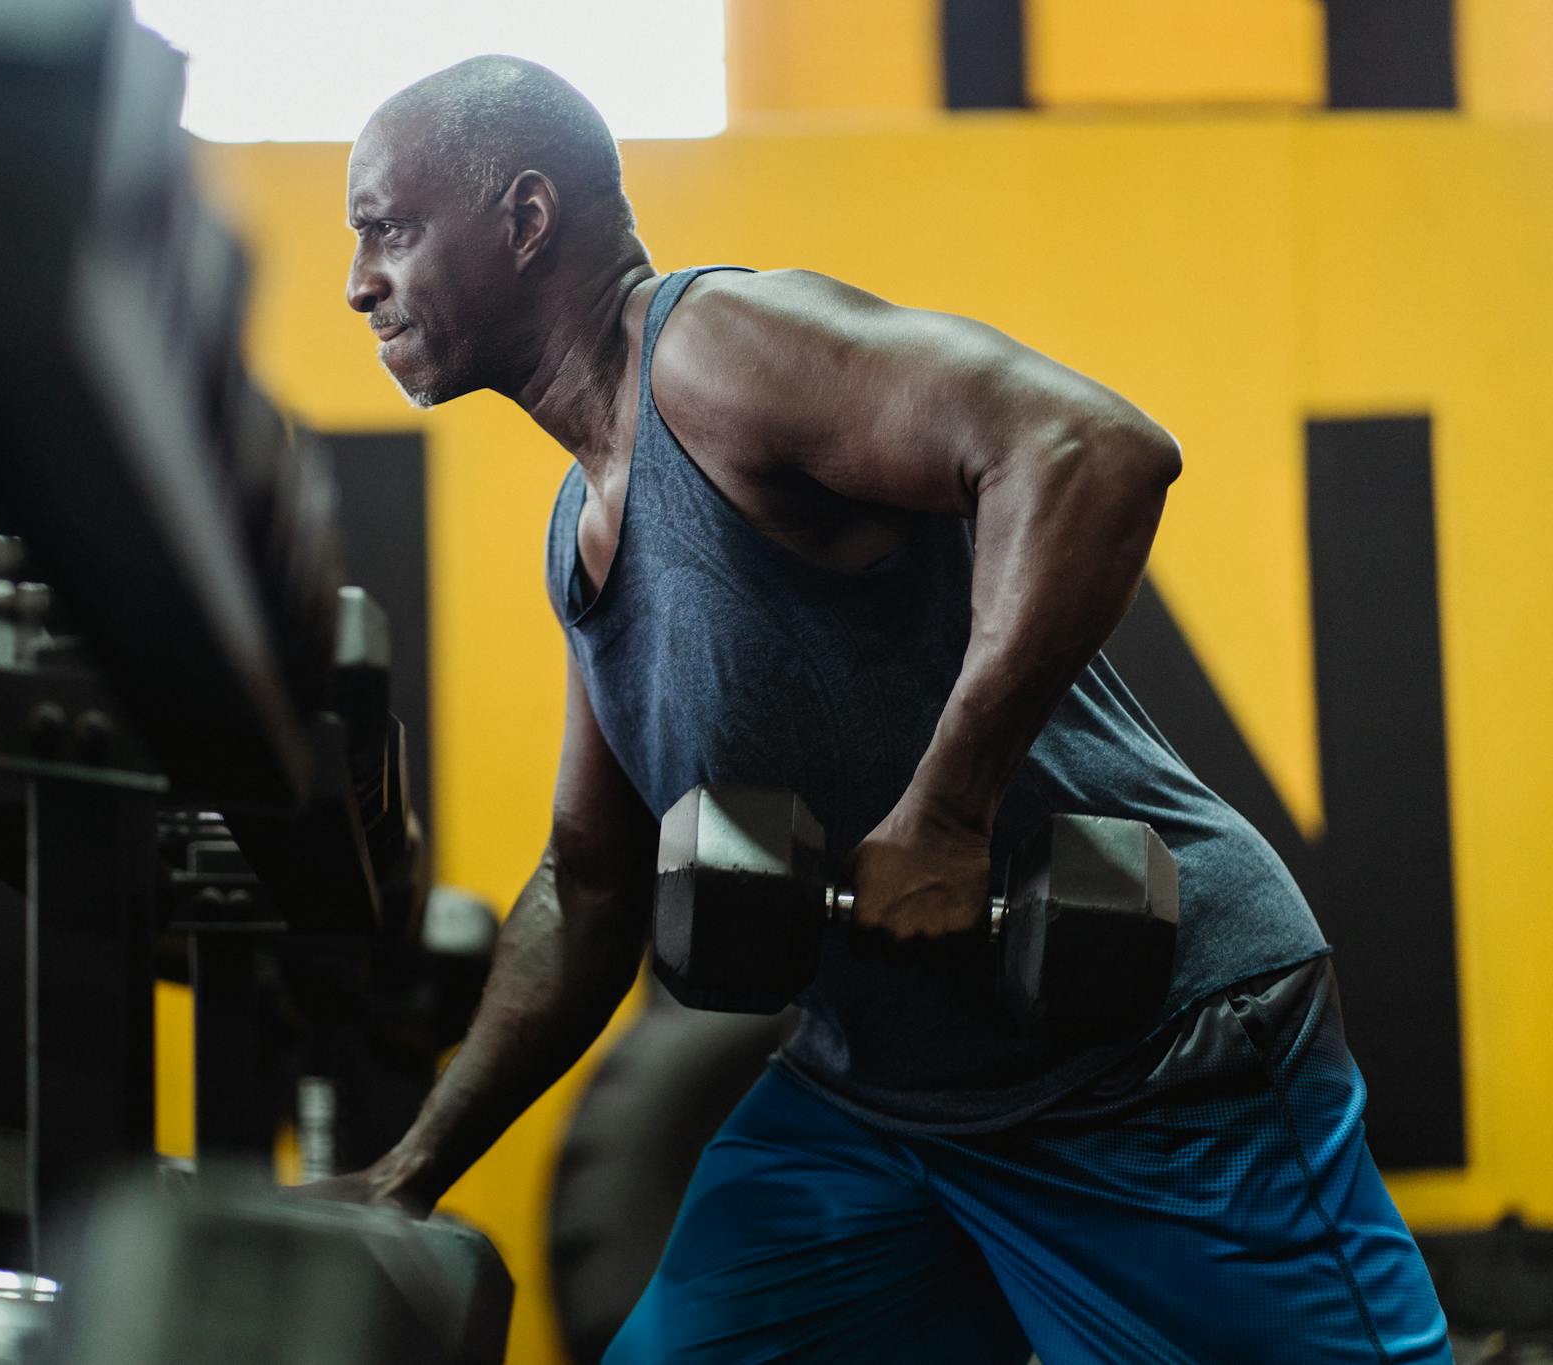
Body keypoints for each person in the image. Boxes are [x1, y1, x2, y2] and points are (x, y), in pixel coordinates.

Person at [327, 54, 1451, 1363]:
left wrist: (948, 806)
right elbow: (590, 889)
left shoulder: (718, 355)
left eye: (389, 230)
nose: (361, 282)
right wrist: (405, 1171)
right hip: (882, 1112)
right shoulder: (584, 527)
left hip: (1156, 1068)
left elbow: (1089, 447)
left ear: (525, 220)